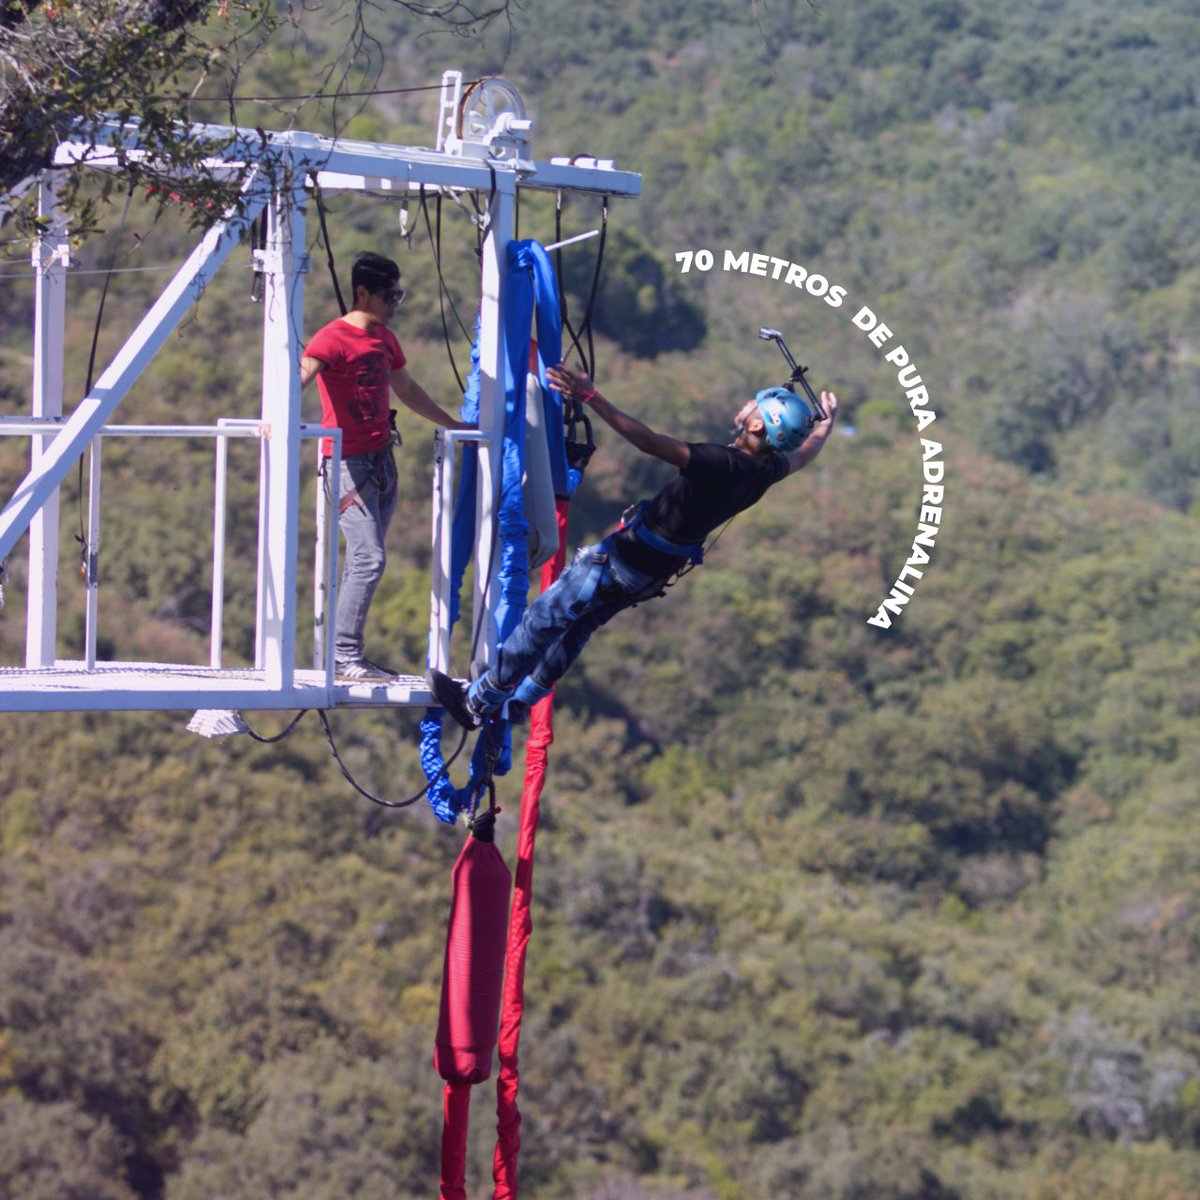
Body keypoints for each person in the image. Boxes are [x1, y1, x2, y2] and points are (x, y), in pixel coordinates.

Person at [429, 362, 838, 727]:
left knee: (546, 618)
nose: (747, 404)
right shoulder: (766, 471)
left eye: (754, 405)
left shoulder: (722, 463)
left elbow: (648, 440)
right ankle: (519, 704)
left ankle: (478, 701)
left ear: (756, 426)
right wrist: (825, 425)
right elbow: (804, 454)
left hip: (623, 561)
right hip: (650, 574)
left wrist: (592, 397)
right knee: (576, 630)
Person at [301, 251, 469, 681]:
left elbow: (407, 389)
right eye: (390, 295)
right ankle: (343, 655)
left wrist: (453, 424)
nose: (396, 303)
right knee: (368, 559)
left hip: (381, 462)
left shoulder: (385, 340)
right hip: (345, 467)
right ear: (363, 293)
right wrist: (273, 414)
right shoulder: (332, 338)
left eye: (400, 294)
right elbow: (300, 374)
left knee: (367, 558)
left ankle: (346, 652)